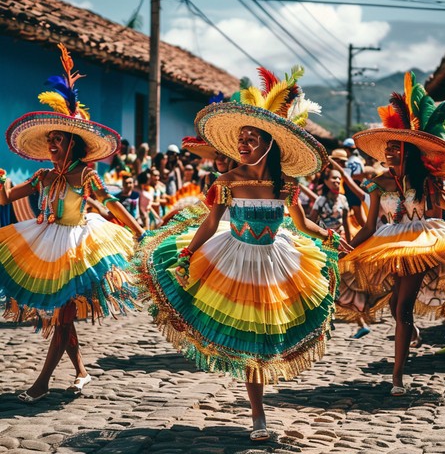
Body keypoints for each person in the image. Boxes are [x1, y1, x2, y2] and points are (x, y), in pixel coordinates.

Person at [133, 66, 350, 441]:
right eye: (242, 138)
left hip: (277, 263)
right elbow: (208, 222)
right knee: (248, 341)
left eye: (252, 137)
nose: (244, 144)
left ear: (269, 141)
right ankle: (257, 414)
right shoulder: (226, 182)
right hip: (233, 261)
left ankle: (260, 404)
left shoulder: (286, 186)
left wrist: (330, 236)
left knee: (266, 337)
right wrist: (188, 253)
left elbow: (302, 226)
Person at [338, 72, 445, 396]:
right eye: (386, 148)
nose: (388, 153)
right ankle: (411, 330)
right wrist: (346, 247)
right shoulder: (378, 183)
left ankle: (397, 376)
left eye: (394, 147)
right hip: (388, 244)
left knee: (402, 308)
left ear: (407, 150)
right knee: (395, 308)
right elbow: (368, 224)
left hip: (420, 243)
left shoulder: (426, 182)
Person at [0, 44, 145, 402]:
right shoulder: (42, 177)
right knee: (62, 319)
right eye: (49, 140)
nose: (52, 144)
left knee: (63, 319)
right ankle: (81, 372)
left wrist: (140, 231)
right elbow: (5, 198)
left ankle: (42, 382)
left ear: (73, 143)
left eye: (58, 139)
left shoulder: (86, 176)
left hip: (78, 248)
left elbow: (112, 204)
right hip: (42, 244)